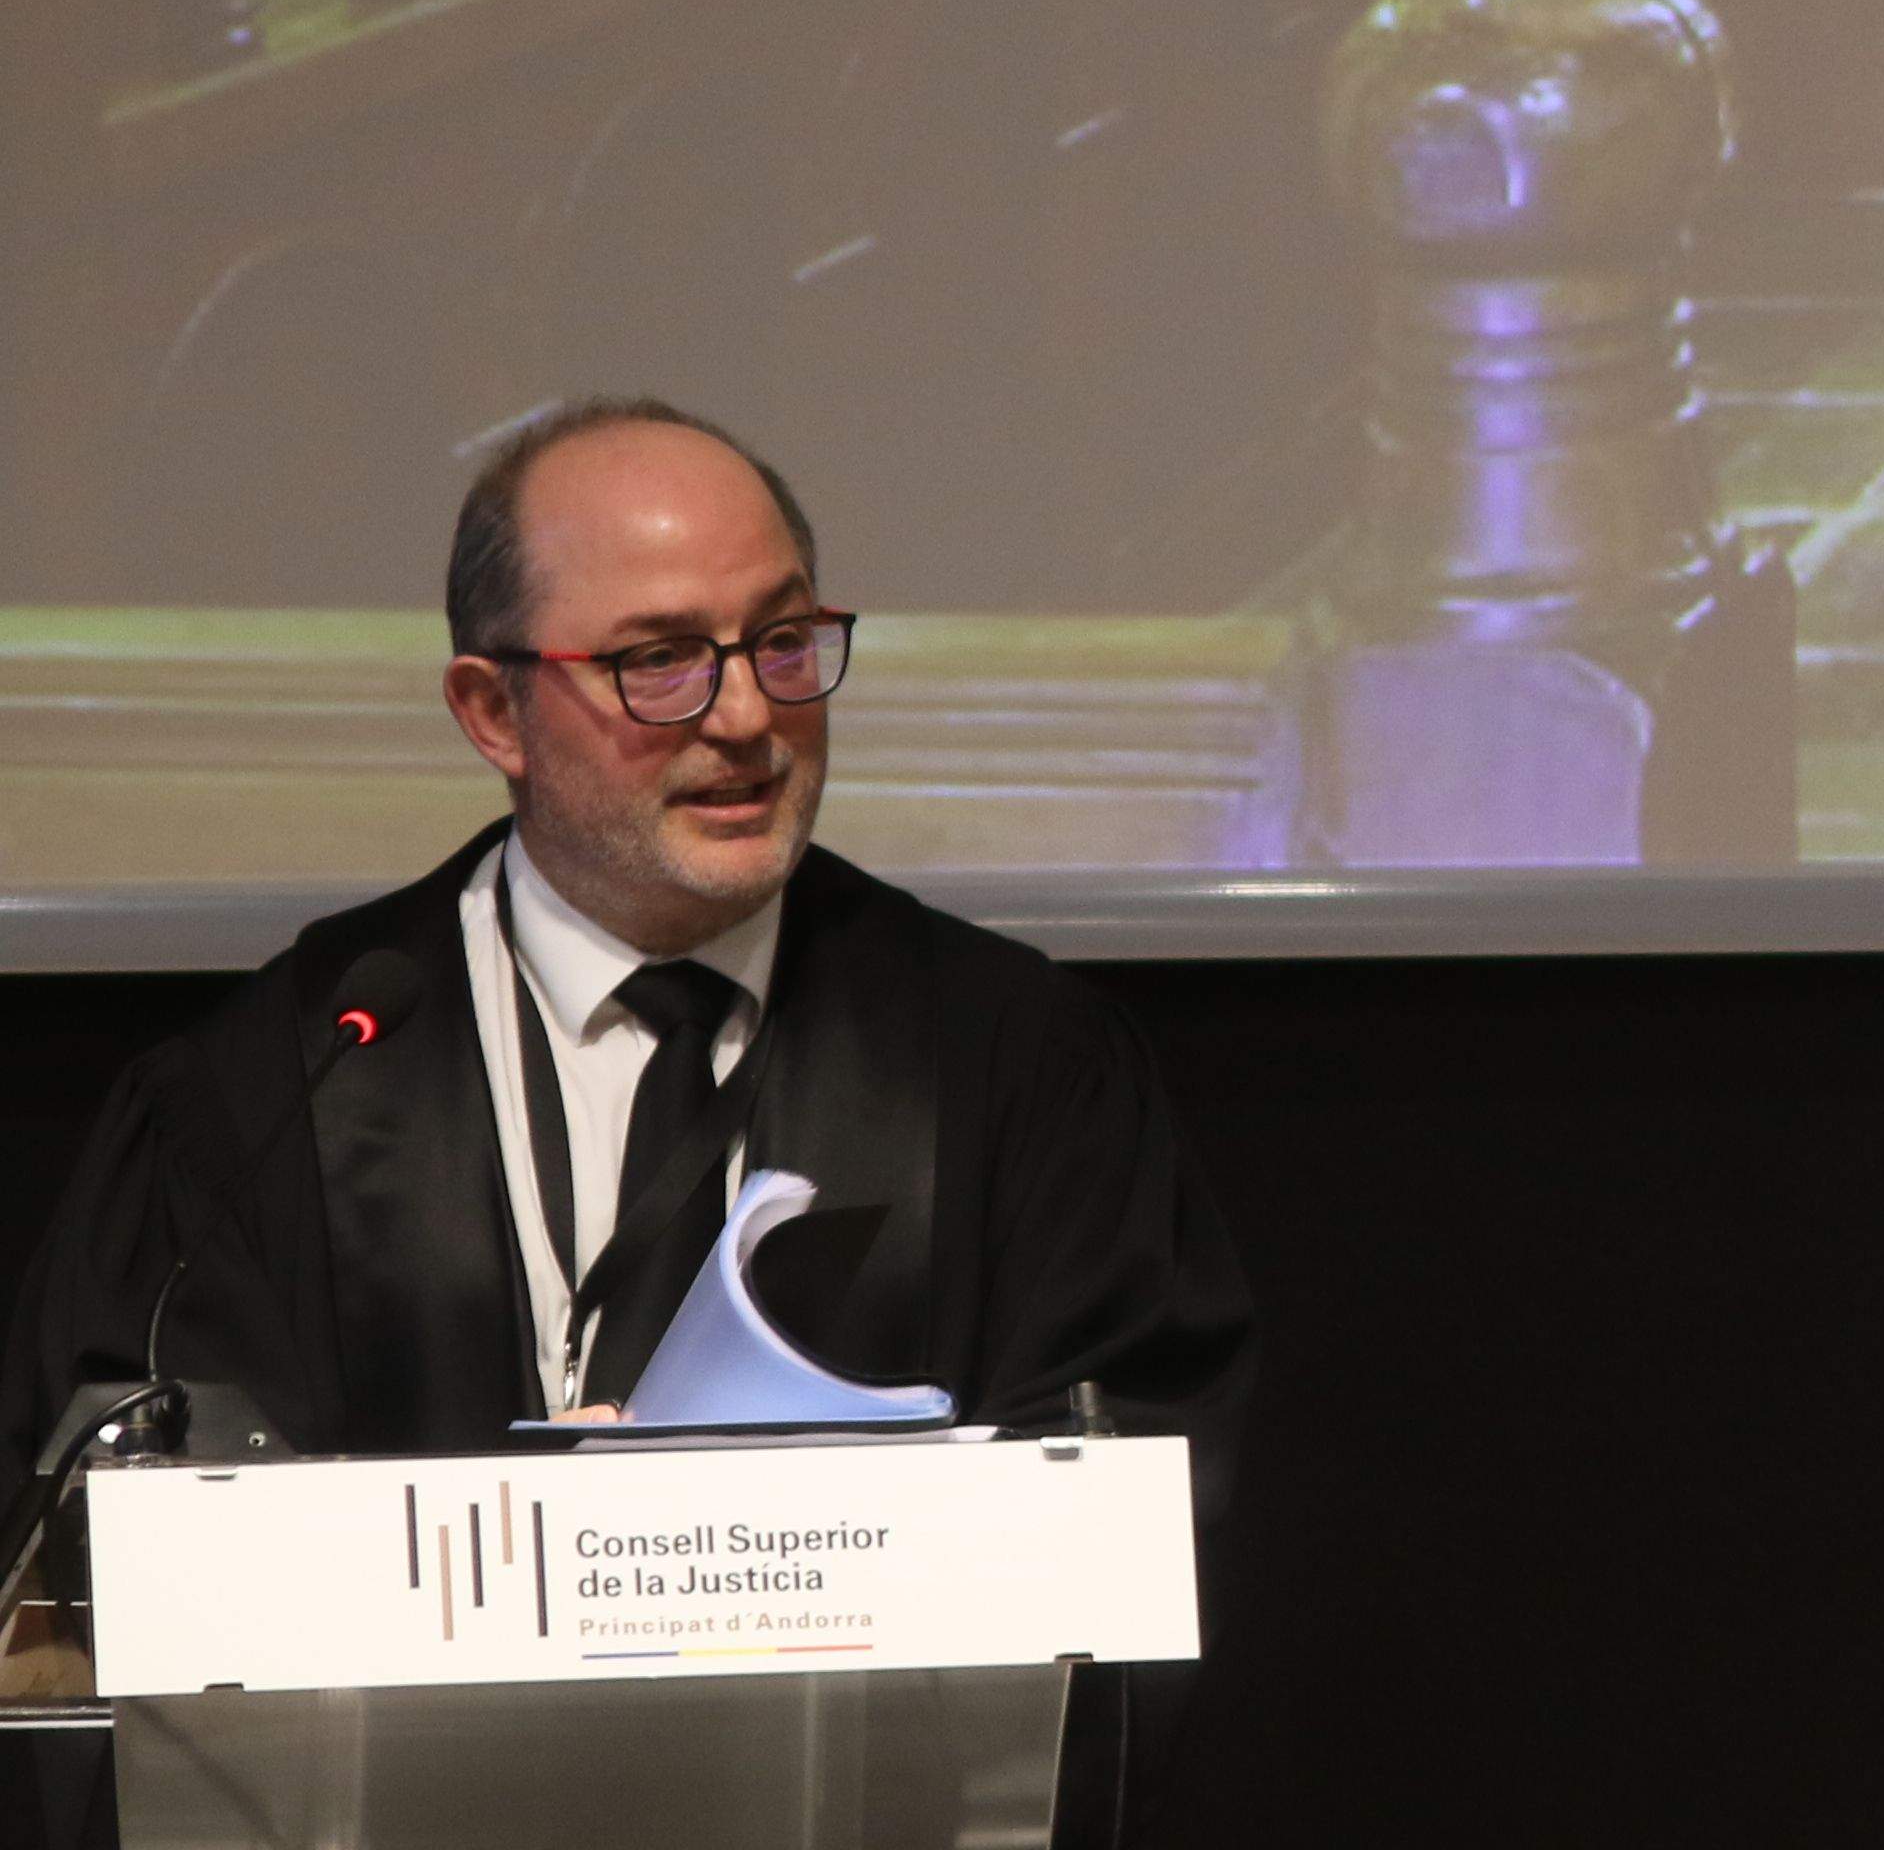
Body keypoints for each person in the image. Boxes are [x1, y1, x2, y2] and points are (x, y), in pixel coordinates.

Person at [0, 397, 1251, 1814]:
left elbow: (1138, 1511)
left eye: (784, 641)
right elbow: (125, 1552)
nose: (748, 717)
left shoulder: (1012, 1065)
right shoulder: (268, 1093)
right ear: (493, 711)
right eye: (660, 662)